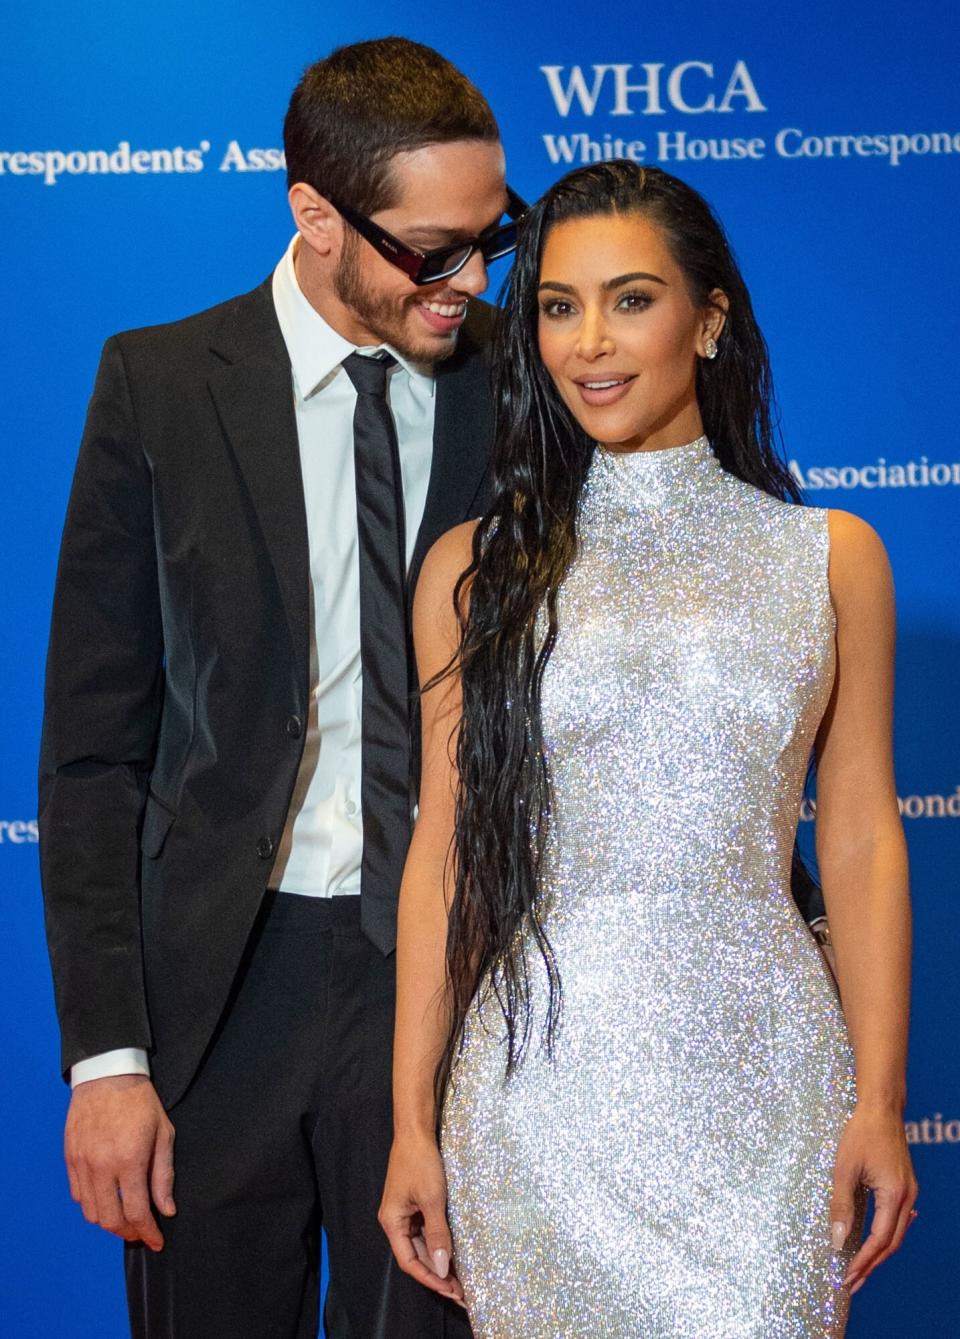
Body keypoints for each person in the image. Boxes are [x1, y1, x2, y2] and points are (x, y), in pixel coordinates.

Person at [38, 36, 524, 1339]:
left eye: (493, 235)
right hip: (215, 996)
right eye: (432, 248)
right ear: (314, 215)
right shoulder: (157, 384)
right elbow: (92, 751)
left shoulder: (525, 380)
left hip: (441, 977)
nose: (471, 278)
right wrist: (108, 1060)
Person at [379, 161, 918, 1337]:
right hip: (539, 1098)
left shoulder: (830, 557)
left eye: (630, 298)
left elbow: (867, 837)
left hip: (770, 1098)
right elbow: (443, 860)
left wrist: (879, 1098)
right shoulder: (476, 574)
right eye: (559, 306)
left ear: (709, 317)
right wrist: (413, 1123)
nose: (589, 342)